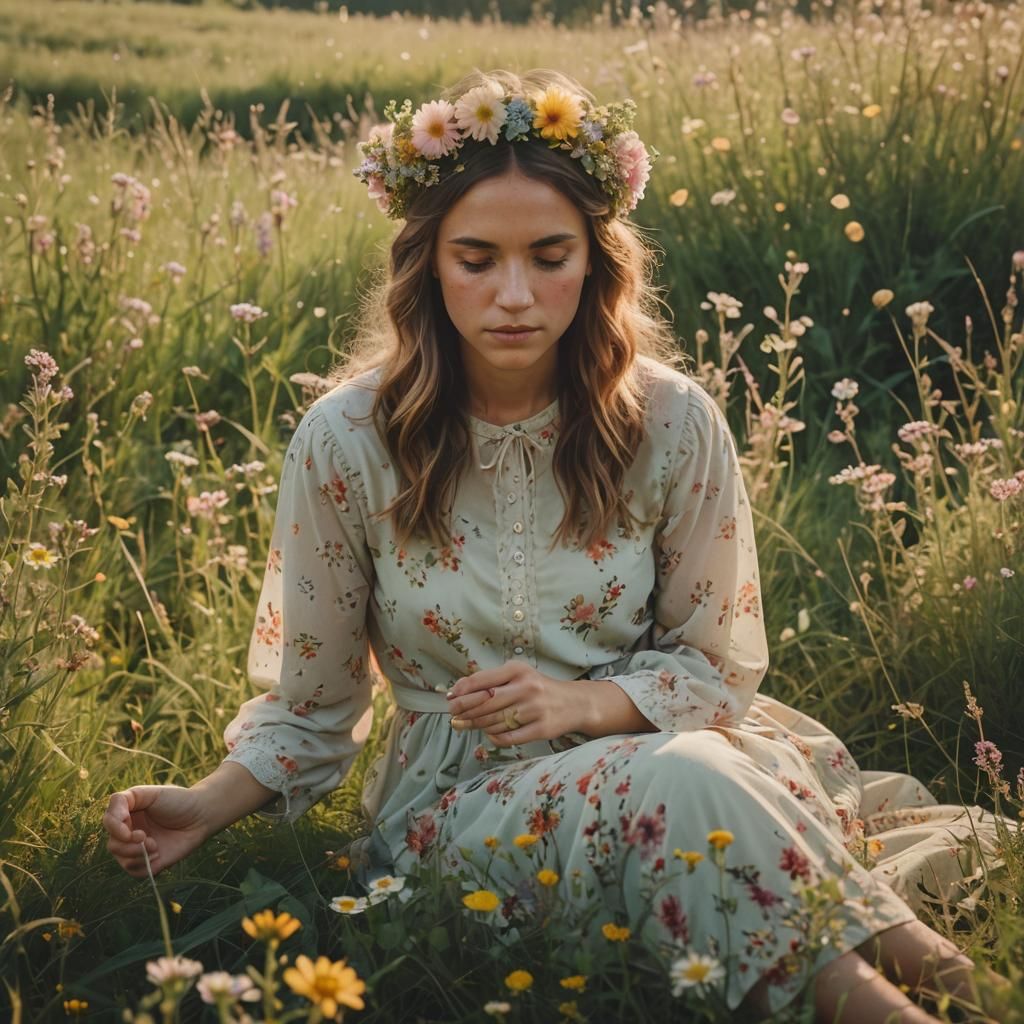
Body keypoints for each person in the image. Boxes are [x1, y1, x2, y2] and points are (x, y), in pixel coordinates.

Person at [104, 69, 1006, 1022]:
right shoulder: (349, 439)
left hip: (674, 751)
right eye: (476, 259)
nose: (515, 295)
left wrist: (582, 699)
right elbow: (316, 704)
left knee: (691, 772)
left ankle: (972, 994)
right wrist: (203, 807)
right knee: (689, 780)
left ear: (596, 261)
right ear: (428, 266)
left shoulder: (670, 420)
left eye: (549, 255)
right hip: (461, 810)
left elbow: (715, 663)